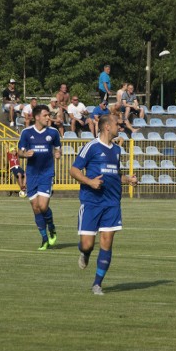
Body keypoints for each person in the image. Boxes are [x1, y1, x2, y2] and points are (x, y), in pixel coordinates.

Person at [70, 113, 137, 295]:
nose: (120, 126)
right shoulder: (91, 147)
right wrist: (90, 182)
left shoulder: (116, 150)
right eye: (117, 124)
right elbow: (74, 170)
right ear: (107, 126)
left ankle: (97, 284)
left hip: (112, 203)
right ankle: (85, 253)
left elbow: (114, 175)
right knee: (87, 244)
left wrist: (127, 179)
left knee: (107, 242)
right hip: (92, 202)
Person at [18, 104, 62, 250]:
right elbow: (19, 152)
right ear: (37, 117)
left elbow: (58, 148)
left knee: (43, 206)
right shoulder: (26, 133)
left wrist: (58, 154)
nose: (48, 117)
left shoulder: (53, 132)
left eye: (48, 115)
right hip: (31, 174)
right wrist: (24, 154)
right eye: (45, 115)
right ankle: (44, 239)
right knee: (36, 208)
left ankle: (52, 226)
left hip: (46, 173)